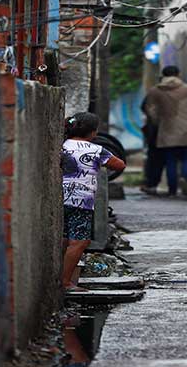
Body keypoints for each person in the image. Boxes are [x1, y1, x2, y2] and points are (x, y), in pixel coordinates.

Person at [61, 112, 126, 291]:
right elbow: (120, 164)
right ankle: (66, 282)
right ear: (92, 133)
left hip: (61, 199)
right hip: (81, 201)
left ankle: (61, 277)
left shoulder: (62, 146)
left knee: (65, 239)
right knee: (80, 242)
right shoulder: (95, 150)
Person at [144, 65, 187, 196]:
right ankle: (184, 178)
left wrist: (159, 123)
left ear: (163, 75)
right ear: (178, 74)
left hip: (167, 130)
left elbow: (151, 111)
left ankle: (172, 189)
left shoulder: (155, 91)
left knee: (170, 161)